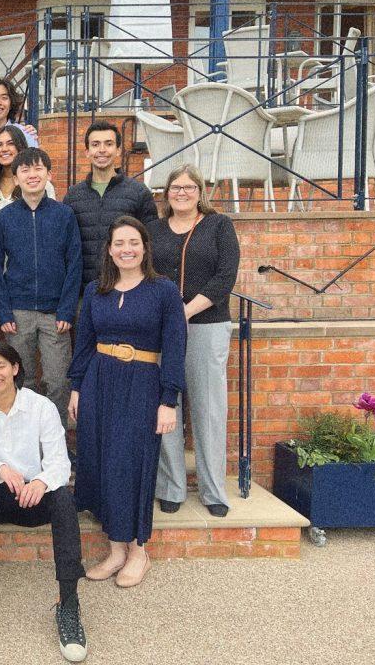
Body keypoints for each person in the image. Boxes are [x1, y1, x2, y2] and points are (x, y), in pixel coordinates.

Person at [0, 341, 88, 663]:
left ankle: (68, 603)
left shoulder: (41, 406)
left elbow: (59, 463)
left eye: (0, 366)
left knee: (64, 500)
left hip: (31, 497)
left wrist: (40, 481)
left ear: (14, 368)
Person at [68, 216, 186, 588]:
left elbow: (175, 347)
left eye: (133, 242)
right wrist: (76, 387)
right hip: (99, 382)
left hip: (143, 384)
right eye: (119, 243)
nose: (126, 249)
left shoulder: (163, 291)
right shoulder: (95, 291)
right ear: (109, 249)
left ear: (145, 247)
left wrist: (169, 400)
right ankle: (116, 549)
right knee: (101, 462)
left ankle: (138, 551)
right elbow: (84, 342)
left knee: (131, 464)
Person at [150, 165, 239, 518]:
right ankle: (170, 486)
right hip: (159, 330)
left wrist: (183, 312)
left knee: (209, 410)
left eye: (188, 187)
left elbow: (225, 276)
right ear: (166, 193)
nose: (181, 192)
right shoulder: (153, 230)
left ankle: (213, 490)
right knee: (165, 407)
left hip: (207, 325)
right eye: (175, 187)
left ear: (200, 192)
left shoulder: (219, 226)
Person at [0, 148, 81, 428]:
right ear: (15, 178)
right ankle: (25, 445)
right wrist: (4, 313)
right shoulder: (4, 217)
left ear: (49, 175)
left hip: (56, 315)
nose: (32, 175)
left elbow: (74, 264)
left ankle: (57, 447)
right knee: (22, 380)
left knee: (56, 380)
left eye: (38, 169)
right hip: (18, 313)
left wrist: (66, 308)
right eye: (25, 170)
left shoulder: (64, 215)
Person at [0, 125, 54, 332]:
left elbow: (50, 226)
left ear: (21, 147)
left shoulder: (41, 184)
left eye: (10, 143)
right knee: (2, 337)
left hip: (29, 274)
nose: (4, 149)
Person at [63, 121, 160, 287]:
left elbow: (152, 242)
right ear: (87, 152)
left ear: (118, 150)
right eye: (95, 144)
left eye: (108, 144)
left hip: (128, 289)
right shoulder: (73, 196)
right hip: (84, 292)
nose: (102, 150)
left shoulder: (138, 192)